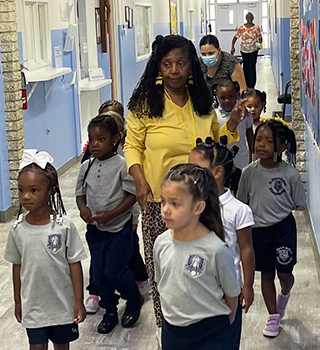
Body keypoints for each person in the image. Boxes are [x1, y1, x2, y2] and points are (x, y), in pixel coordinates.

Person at [123, 34, 248, 336]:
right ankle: (168, 326)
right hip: (162, 202)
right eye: (167, 64)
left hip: (203, 199)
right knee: (165, 271)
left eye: (181, 63)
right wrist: (139, 182)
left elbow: (218, 136)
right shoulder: (145, 104)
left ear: (191, 66)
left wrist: (233, 124)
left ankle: (210, 323)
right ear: (158, 68)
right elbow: (132, 146)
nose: (174, 70)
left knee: (206, 264)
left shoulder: (202, 100)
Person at [4, 149, 86, 350]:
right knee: (37, 347)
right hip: (33, 306)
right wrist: (17, 301)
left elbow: (74, 264)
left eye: (33, 190)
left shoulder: (63, 226)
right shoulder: (17, 230)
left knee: (61, 345)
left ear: (51, 191)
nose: (25, 196)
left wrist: (78, 301)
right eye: (21, 190)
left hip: (61, 305)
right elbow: (17, 267)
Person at [154, 163, 240, 350]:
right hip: (173, 331)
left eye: (175, 203)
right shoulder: (161, 243)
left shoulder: (215, 249)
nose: (166, 209)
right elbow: (162, 284)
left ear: (198, 207)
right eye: (163, 201)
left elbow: (232, 294)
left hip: (210, 332)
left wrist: (224, 329)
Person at [75, 113, 144, 334]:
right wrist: (83, 209)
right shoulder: (86, 166)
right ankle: (110, 310)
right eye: (91, 139)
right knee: (100, 274)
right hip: (96, 231)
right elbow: (80, 194)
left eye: (101, 139)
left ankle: (133, 299)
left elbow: (132, 196)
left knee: (114, 270)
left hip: (119, 230)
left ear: (115, 139)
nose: (94, 144)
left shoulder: (123, 165)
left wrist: (112, 214)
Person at [237, 118, 306, 338]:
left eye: (268, 141)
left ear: (282, 146)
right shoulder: (248, 173)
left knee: (285, 275)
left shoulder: (290, 174)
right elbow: (242, 203)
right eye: (258, 140)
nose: (261, 145)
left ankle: (284, 294)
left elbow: (297, 202)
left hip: (283, 229)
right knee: (266, 274)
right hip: (258, 231)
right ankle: (273, 315)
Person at [188, 136, 255, 349]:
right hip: (194, 285)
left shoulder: (238, 210)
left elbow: (246, 249)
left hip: (227, 291)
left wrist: (248, 285)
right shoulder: (188, 206)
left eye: (195, 169)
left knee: (225, 339)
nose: (188, 175)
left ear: (217, 172)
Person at [214, 80, 254, 192]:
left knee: (240, 189)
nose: (227, 100)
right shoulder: (214, 115)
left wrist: (252, 153)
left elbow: (249, 132)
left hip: (241, 158)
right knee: (222, 189)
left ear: (237, 95)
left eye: (231, 96)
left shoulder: (244, 113)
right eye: (222, 97)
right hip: (221, 161)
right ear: (217, 97)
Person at [231, 12, 262, 89]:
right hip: (244, 50)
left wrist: (259, 45)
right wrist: (233, 47)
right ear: (246, 18)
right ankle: (246, 83)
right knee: (245, 66)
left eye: (251, 17)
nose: (249, 19)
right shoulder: (241, 27)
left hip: (253, 50)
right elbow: (235, 37)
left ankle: (252, 85)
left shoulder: (256, 28)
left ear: (253, 18)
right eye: (248, 17)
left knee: (252, 66)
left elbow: (260, 38)